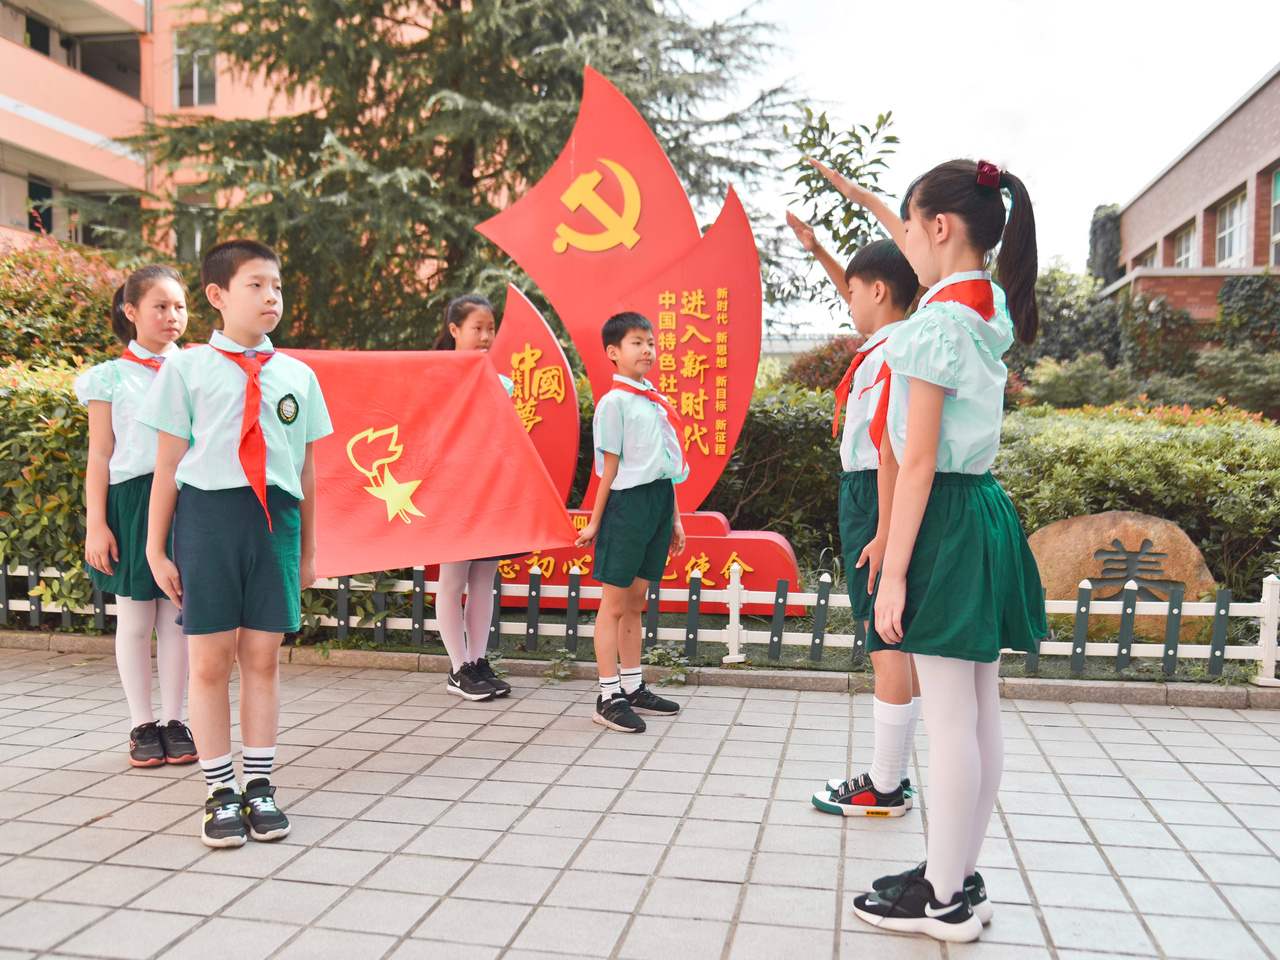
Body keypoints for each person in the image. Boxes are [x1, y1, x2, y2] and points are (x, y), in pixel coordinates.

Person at [812, 158, 1046, 942]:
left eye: (908, 224)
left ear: (939, 228)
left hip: (942, 514)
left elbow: (914, 463)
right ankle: (957, 874)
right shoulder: (987, 308)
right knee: (977, 712)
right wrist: (868, 199)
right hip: (980, 507)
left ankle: (944, 899)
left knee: (950, 721)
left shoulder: (934, 327)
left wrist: (893, 571)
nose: (902, 238)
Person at [139, 239, 332, 848]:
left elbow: (305, 472)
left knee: (263, 659)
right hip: (208, 519)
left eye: (277, 285)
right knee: (209, 662)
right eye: (256, 285)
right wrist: (155, 549)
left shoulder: (299, 376)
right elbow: (167, 466)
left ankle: (260, 786)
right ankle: (219, 792)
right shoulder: (186, 369)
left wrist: (307, 551)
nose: (271, 296)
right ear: (217, 296)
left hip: (275, 522)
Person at [784, 217, 924, 818]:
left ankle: (884, 786)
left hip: (875, 493)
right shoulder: (894, 341)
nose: (847, 301)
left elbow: (891, 449)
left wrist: (885, 532)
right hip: (870, 490)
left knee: (883, 635)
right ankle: (894, 775)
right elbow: (863, 283)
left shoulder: (894, 351)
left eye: (852, 292)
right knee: (895, 636)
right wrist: (818, 249)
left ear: (879, 291)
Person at [76, 265, 197, 769]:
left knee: (177, 616)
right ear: (131, 311)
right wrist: (96, 523)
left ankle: (174, 721)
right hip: (130, 502)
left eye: (180, 307)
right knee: (134, 619)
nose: (173, 316)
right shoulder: (108, 377)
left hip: (187, 499)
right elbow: (100, 454)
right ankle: (141, 725)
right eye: (160, 306)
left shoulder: (196, 368)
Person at [574, 313, 686, 733]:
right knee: (614, 605)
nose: (647, 350)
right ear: (613, 352)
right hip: (626, 504)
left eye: (650, 343)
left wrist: (675, 519)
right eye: (637, 342)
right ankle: (608, 696)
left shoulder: (653, 399)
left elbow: (665, 466)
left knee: (637, 602)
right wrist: (594, 523)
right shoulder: (614, 403)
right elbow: (609, 469)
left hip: (658, 501)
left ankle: (633, 686)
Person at [432, 294, 514, 701]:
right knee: (453, 580)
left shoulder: (502, 382)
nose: (485, 336)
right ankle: (457, 668)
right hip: (452, 493)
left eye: (490, 329)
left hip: (489, 491)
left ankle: (478, 662)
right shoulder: (436, 378)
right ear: (454, 330)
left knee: (484, 578)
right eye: (476, 328)